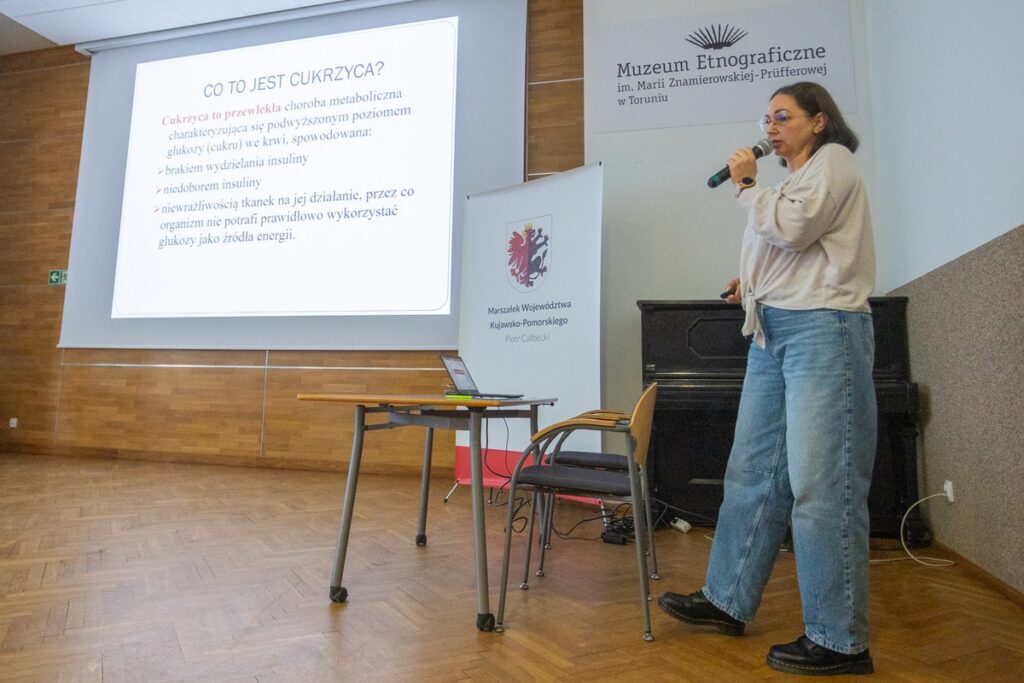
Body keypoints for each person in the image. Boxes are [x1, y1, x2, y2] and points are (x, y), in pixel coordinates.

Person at [658, 81, 878, 676]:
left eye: (783, 117)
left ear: (820, 121)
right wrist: (749, 284)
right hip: (771, 332)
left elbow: (795, 229)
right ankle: (727, 599)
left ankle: (840, 640)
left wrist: (748, 185)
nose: (771, 127)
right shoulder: (788, 183)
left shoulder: (834, 164)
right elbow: (785, 243)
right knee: (752, 473)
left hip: (822, 333)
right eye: (767, 118)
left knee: (821, 486)